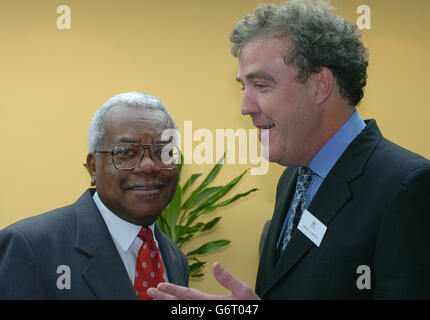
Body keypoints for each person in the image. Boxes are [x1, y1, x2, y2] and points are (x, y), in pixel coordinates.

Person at [147, 0, 430, 300]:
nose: (245, 106)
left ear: (321, 85)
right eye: (244, 86)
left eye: (262, 85)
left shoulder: (405, 187)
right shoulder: (293, 177)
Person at [0, 92, 189, 299]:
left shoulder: (176, 259)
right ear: (93, 167)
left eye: (163, 153)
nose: (148, 166)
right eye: (126, 152)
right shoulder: (31, 247)